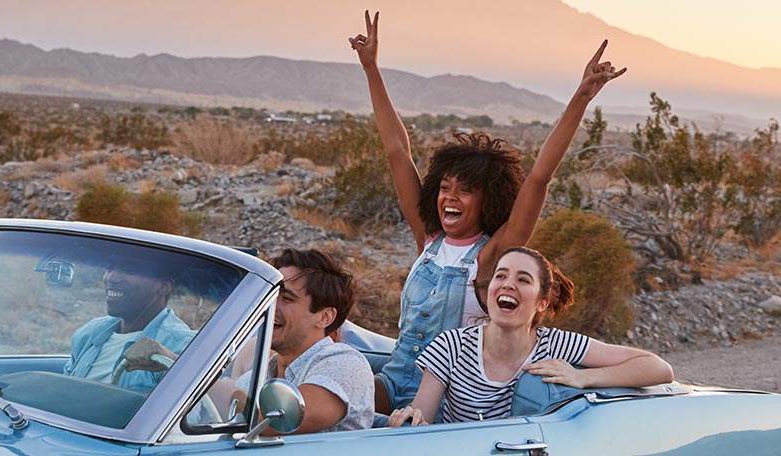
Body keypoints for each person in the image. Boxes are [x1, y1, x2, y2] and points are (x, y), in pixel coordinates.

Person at [349, 10, 629, 413]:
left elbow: (539, 178)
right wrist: (371, 69)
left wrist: (581, 97)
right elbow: (397, 151)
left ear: (490, 199)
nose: (450, 197)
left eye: (465, 191)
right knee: (334, 402)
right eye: (445, 187)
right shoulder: (427, 240)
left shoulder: (490, 257)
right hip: (394, 380)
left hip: (444, 398)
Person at [387, 247, 673, 426]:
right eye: (501, 276)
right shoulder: (450, 345)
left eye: (523, 279)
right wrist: (408, 421)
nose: (508, 284)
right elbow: (422, 422)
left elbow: (659, 369)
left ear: (542, 302)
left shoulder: (557, 344)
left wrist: (582, 378)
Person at [266, 248, 374, 433]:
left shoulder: (344, 364)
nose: (270, 305)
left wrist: (222, 394)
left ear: (325, 317)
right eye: (270, 295)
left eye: (287, 298)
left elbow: (280, 420)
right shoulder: (260, 371)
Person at [63, 257, 195, 392]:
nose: (111, 278)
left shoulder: (183, 345)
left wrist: (173, 360)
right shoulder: (90, 333)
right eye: (109, 267)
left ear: (163, 287)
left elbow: (204, 405)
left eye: (129, 269)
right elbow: (63, 394)